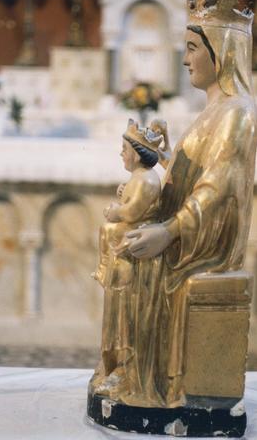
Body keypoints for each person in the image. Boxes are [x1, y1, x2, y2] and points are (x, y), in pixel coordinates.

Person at [124, 0, 257, 406]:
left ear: (222, 51)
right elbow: (197, 174)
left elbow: (217, 188)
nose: (184, 60)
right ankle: (136, 378)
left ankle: (150, 385)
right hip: (193, 229)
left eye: (191, 49)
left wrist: (168, 231)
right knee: (123, 240)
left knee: (141, 266)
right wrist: (166, 159)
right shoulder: (216, 108)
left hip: (206, 245)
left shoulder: (237, 111)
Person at [90, 119, 163, 400]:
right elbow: (130, 199)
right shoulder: (139, 178)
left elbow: (133, 211)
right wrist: (121, 198)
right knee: (107, 231)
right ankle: (103, 269)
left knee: (125, 316)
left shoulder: (146, 179)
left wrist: (116, 211)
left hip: (137, 242)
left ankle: (126, 368)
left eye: (124, 149)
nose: (120, 153)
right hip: (127, 241)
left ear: (136, 152)